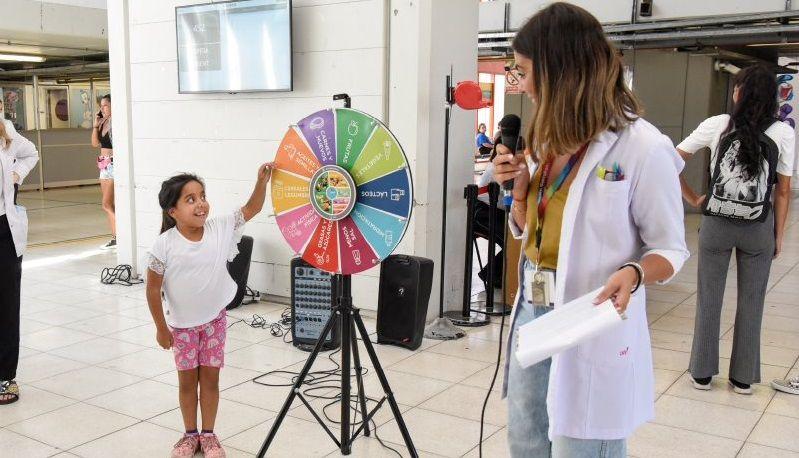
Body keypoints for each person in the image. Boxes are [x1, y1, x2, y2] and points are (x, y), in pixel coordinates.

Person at [492, 3, 689, 456]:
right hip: (534, 308)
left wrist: (635, 273)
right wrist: (519, 197)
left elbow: (670, 249)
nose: (521, 84)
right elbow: (533, 231)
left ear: (560, 71)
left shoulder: (643, 147)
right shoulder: (547, 139)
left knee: (579, 444)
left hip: (591, 314)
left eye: (524, 72)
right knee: (526, 438)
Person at [678, 64, 794, 394]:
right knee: (752, 302)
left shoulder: (717, 124)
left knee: (709, 299)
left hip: (716, 224)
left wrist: (694, 198)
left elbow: (670, 161)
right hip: (758, 228)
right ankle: (742, 379)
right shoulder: (783, 132)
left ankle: (702, 373)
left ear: (739, 93)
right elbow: (783, 191)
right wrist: (778, 235)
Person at [146, 163, 273, 457]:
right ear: (172, 211)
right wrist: (161, 328)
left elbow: (251, 209)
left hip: (214, 321)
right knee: (187, 383)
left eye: (202, 196)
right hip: (182, 328)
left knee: (211, 380)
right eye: (190, 199)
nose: (201, 203)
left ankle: (209, 434)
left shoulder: (219, 228)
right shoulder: (164, 245)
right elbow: (152, 289)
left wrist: (261, 182)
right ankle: (190, 435)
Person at [0, 117, 39, 405]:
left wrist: (17, 174)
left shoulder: (6, 132)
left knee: (6, 305)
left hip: (4, 229)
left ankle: (5, 376)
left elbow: (31, 154)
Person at [91, 94, 116, 249]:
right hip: (103, 162)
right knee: (110, 204)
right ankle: (115, 236)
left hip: (113, 162)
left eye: (105, 105)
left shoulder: (116, 122)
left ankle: (118, 236)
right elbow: (95, 143)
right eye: (101, 106)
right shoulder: (103, 122)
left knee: (106, 204)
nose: (102, 109)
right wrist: (96, 125)